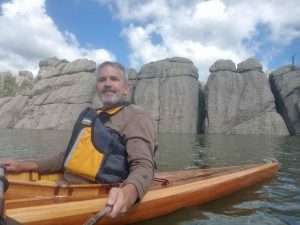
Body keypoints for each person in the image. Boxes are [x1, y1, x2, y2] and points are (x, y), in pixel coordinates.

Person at [0, 61, 157, 218]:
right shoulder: (92, 116)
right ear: (97, 88)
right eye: (102, 80)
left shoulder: (136, 117)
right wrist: (23, 166)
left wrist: (128, 193)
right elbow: (66, 156)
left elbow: (143, 165)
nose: (107, 84)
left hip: (97, 194)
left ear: (126, 88)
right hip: (64, 186)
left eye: (114, 79)